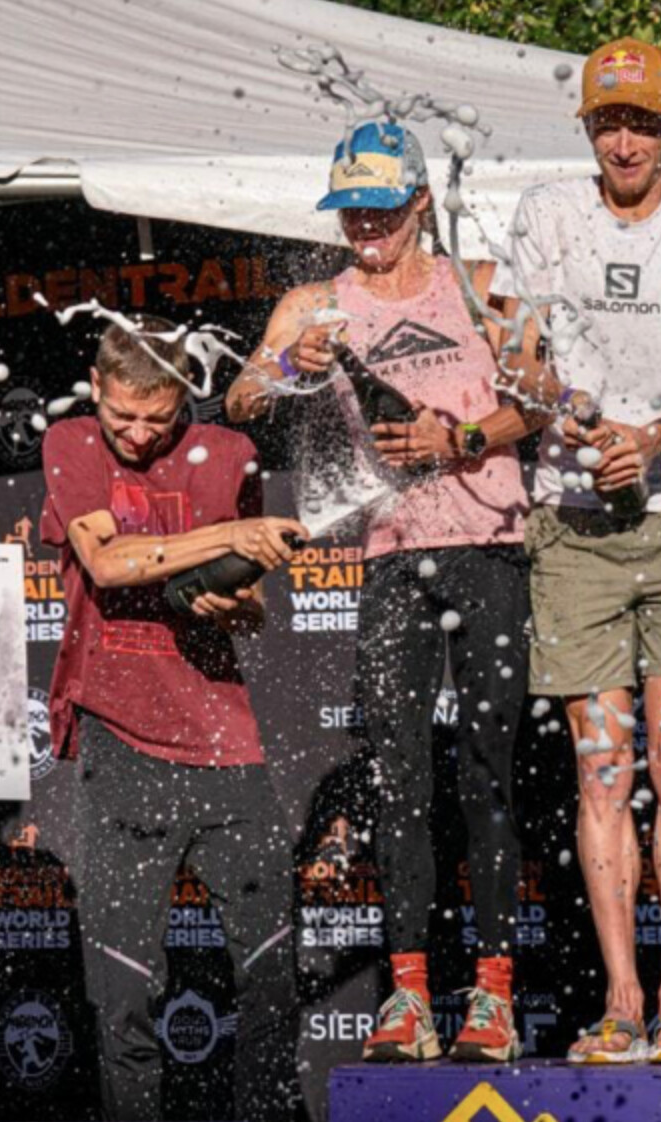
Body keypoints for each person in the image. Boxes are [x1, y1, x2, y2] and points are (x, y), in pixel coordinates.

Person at [227, 120, 536, 1063]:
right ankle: (409, 994)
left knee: (486, 770)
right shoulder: (316, 303)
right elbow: (240, 398)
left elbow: (543, 400)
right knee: (399, 776)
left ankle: (493, 994)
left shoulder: (480, 286)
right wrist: (291, 367)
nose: (365, 226)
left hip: (490, 545)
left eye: (382, 209)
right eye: (351, 211)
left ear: (420, 204)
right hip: (392, 558)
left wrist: (461, 439)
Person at [488, 36, 661, 1064]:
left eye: (642, 123)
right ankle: (619, 999)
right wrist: (572, 408)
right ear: (587, 129)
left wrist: (653, 438)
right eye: (608, 123)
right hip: (573, 518)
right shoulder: (545, 213)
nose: (625, 142)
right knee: (602, 767)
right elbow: (517, 357)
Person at [44, 316, 306, 1121]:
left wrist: (232, 603)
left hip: (227, 742)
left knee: (271, 970)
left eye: (157, 419)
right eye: (122, 414)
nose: (137, 434)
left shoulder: (229, 452)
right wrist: (229, 534)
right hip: (120, 739)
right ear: (96, 386)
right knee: (122, 987)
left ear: (185, 396)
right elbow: (108, 560)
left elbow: (252, 607)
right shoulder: (71, 443)